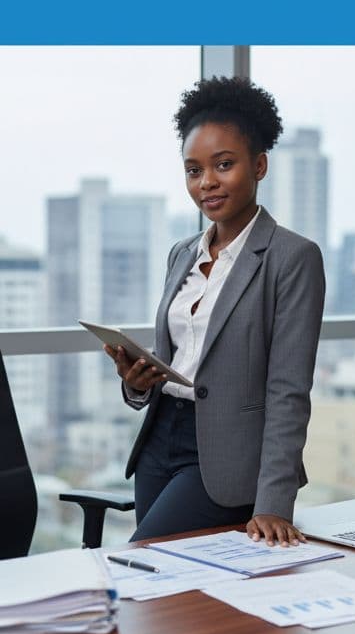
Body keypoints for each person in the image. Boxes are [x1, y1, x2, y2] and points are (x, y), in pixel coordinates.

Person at [103, 76, 325, 546]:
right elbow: (177, 359)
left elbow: (288, 389)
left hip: (228, 458)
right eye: (193, 170)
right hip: (159, 441)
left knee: (143, 559)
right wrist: (136, 383)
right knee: (169, 600)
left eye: (223, 165)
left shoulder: (292, 257)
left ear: (259, 165)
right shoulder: (181, 253)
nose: (207, 183)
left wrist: (273, 504)